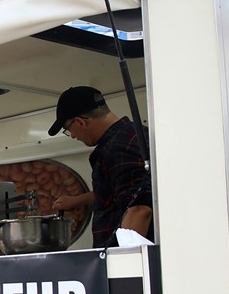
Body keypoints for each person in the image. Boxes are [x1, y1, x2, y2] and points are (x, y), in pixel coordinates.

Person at [48, 86, 154, 247]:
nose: (74, 136)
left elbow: (139, 209)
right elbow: (120, 192)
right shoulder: (136, 134)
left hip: (123, 260)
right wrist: (77, 200)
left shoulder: (120, 147)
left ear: (80, 121)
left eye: (68, 130)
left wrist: (123, 263)